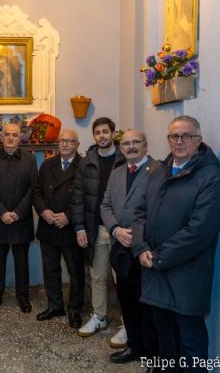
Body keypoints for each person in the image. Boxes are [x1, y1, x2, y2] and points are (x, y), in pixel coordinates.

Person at [132, 116, 220, 372]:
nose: (179, 141)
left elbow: (199, 231)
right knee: (164, 337)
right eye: (174, 136)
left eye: (186, 136)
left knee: (190, 343)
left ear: (198, 140)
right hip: (155, 271)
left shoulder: (211, 178)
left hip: (187, 275)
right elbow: (140, 212)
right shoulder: (159, 170)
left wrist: (159, 256)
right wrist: (141, 248)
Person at [101, 130, 159, 364]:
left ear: (145, 145)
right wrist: (115, 229)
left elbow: (159, 209)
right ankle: (134, 346)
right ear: (121, 147)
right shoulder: (116, 174)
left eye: (136, 142)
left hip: (145, 248)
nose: (131, 147)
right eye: (126, 143)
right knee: (127, 301)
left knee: (147, 303)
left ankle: (152, 354)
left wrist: (135, 235)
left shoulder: (158, 171)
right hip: (120, 247)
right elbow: (105, 205)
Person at [71, 117, 125, 337]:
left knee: (122, 278)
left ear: (113, 133)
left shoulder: (124, 158)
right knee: (97, 277)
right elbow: (78, 197)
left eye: (105, 132)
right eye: (97, 132)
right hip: (97, 229)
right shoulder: (87, 161)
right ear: (94, 136)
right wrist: (79, 227)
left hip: (121, 230)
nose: (102, 136)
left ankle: (127, 323)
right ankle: (99, 317)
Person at [0, 122, 38, 313]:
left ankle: (23, 297)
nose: (11, 138)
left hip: (21, 220)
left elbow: (34, 188)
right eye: (7, 134)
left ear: (20, 137)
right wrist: (2, 213)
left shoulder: (30, 159)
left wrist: (18, 212)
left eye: (15, 135)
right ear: (1, 137)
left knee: (22, 261)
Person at [33, 129, 85, 329]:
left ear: (77, 145)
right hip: (49, 225)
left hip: (71, 229)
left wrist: (68, 216)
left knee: (75, 272)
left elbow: (89, 197)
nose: (64, 144)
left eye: (69, 141)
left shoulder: (84, 166)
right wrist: (43, 211)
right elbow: (36, 191)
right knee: (51, 270)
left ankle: (74, 310)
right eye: (62, 140)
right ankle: (55, 306)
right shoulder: (47, 164)